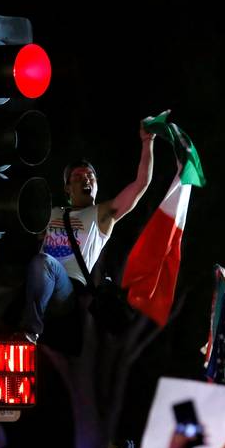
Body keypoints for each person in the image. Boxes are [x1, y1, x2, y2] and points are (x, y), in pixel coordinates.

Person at [19, 119, 156, 343]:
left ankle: (31, 330)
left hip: (68, 291)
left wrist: (147, 141)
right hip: (40, 283)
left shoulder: (101, 215)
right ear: (67, 188)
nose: (85, 179)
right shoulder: (51, 212)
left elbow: (141, 184)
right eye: (78, 177)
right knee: (36, 264)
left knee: (44, 261)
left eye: (90, 177)